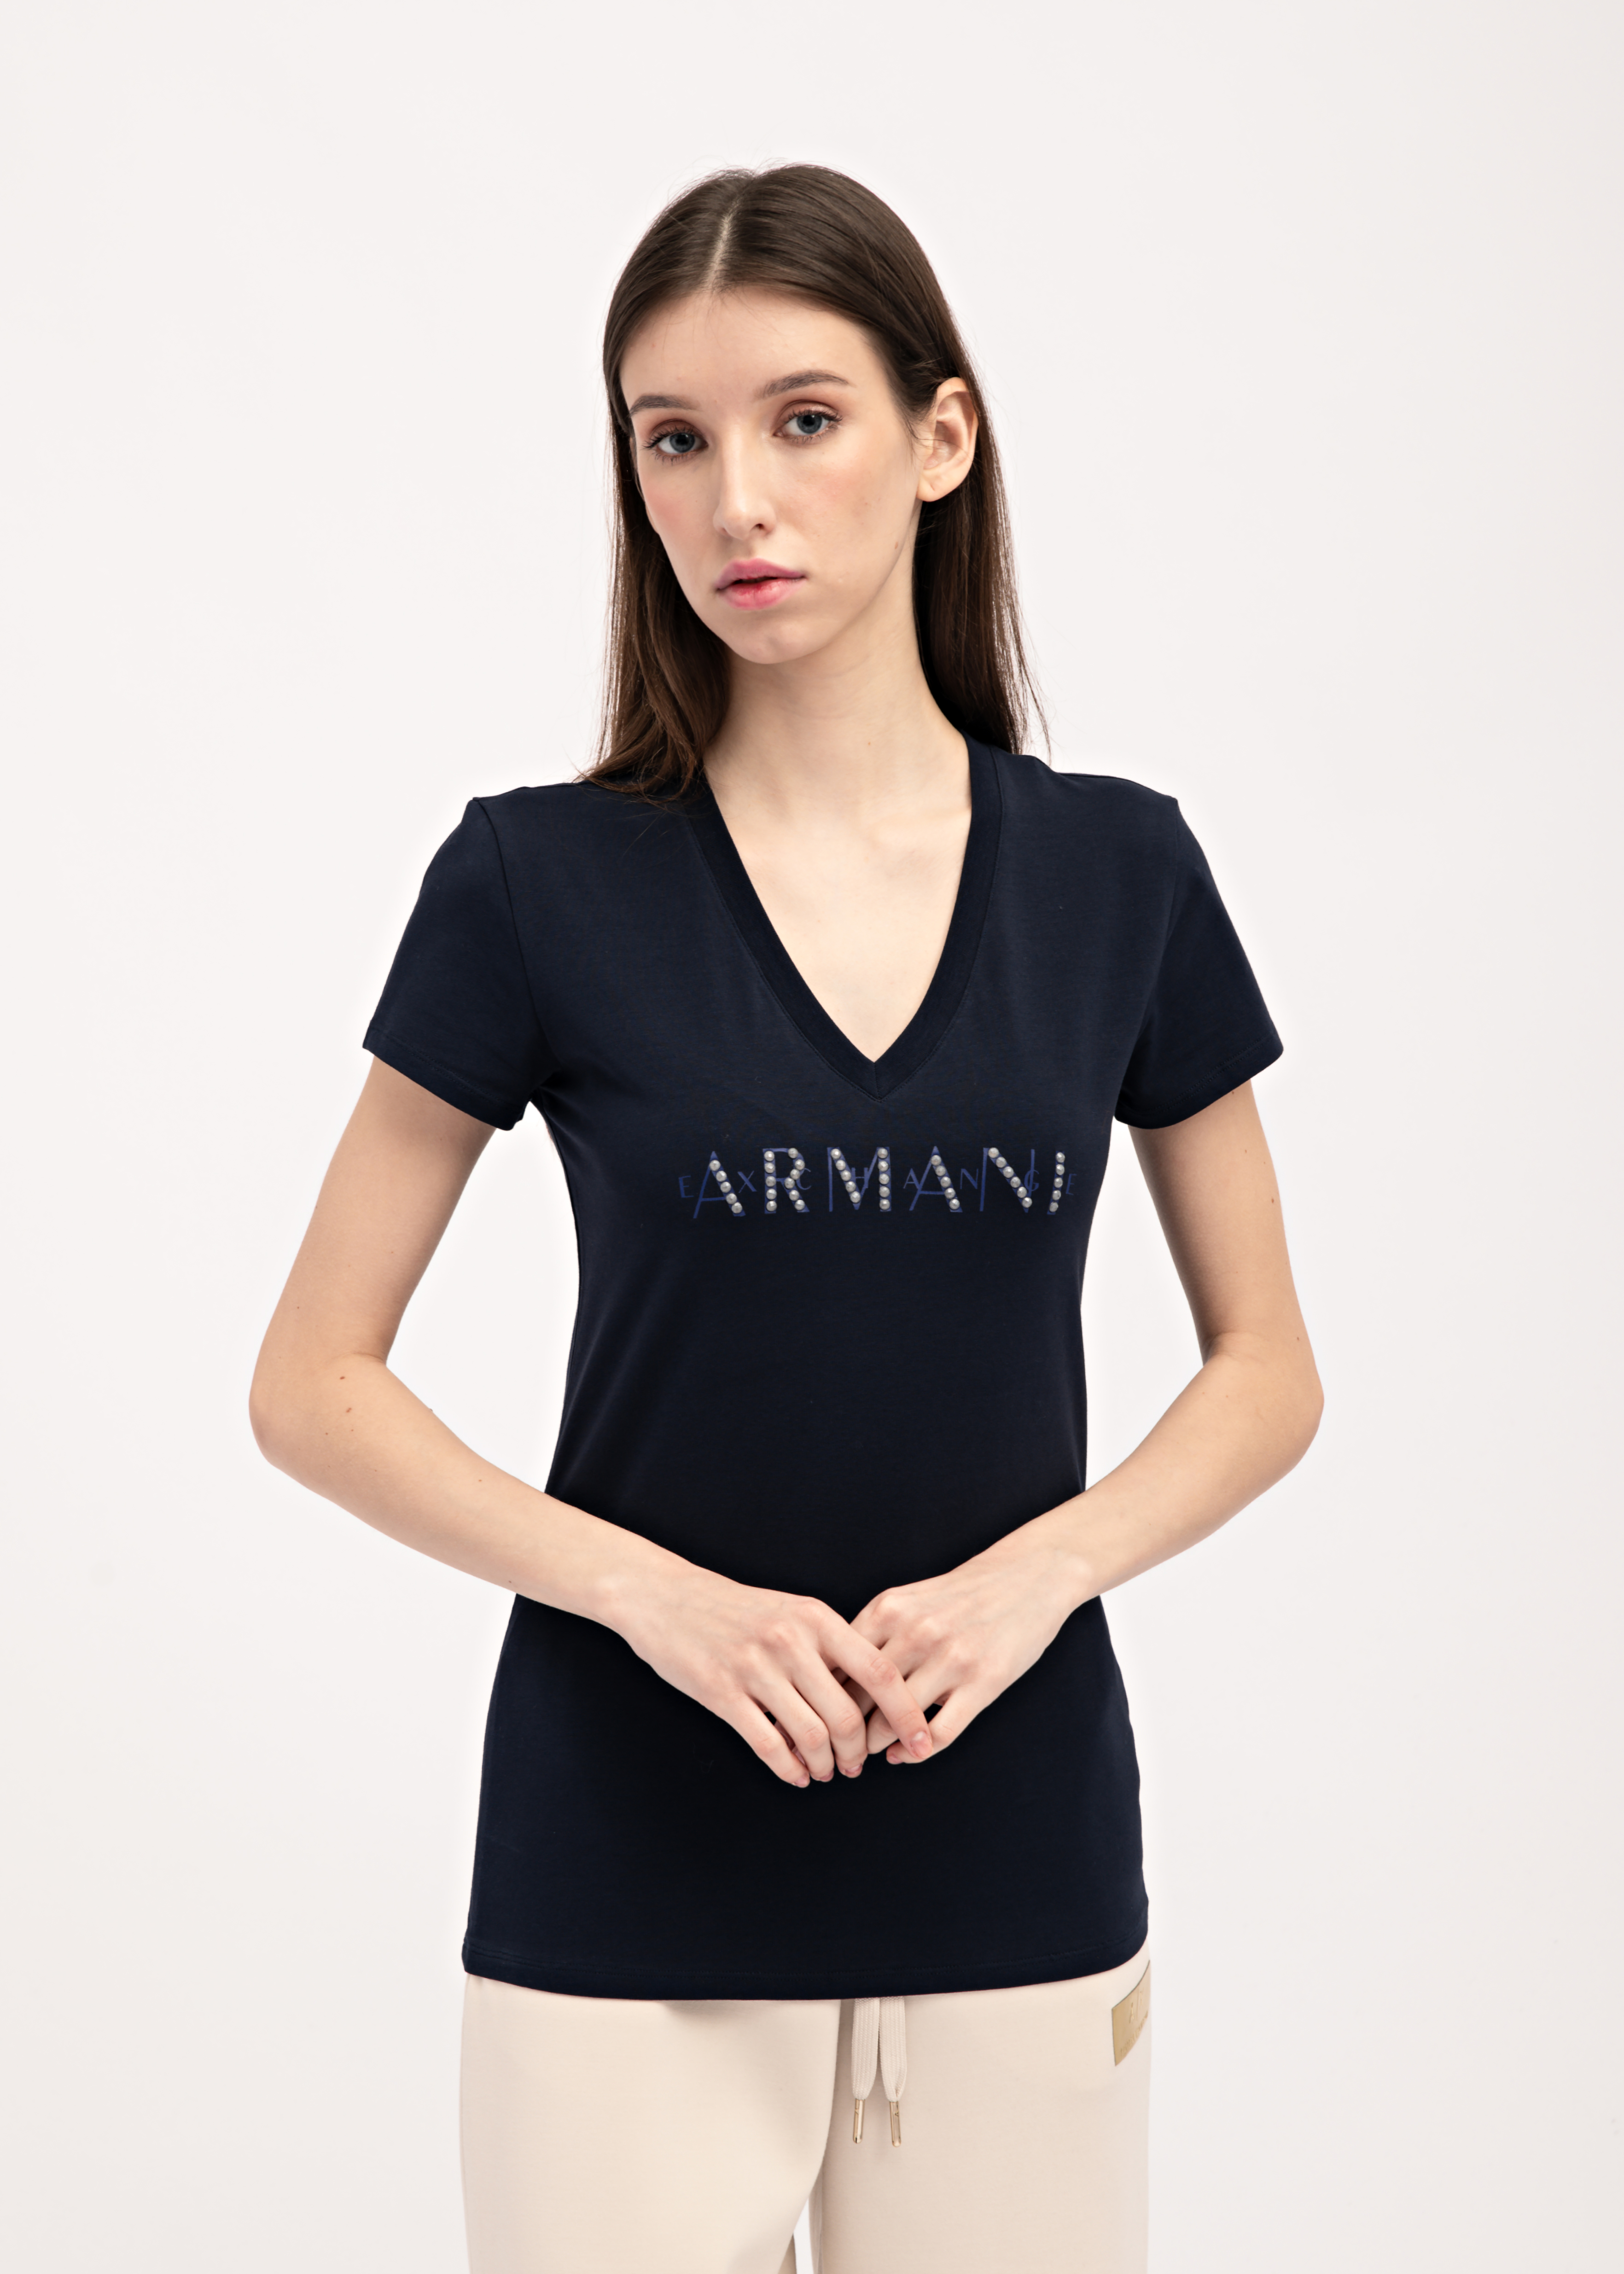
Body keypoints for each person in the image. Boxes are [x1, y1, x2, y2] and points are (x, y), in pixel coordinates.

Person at [250, 163, 1322, 2274]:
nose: (736, 496)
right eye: (673, 437)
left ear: (942, 436)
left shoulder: (1123, 876)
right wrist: (655, 1599)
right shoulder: (532, 885)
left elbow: (1268, 1362)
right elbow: (311, 1378)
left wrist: (1042, 1572)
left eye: (804, 418)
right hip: (622, 1881)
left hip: (1015, 1864)